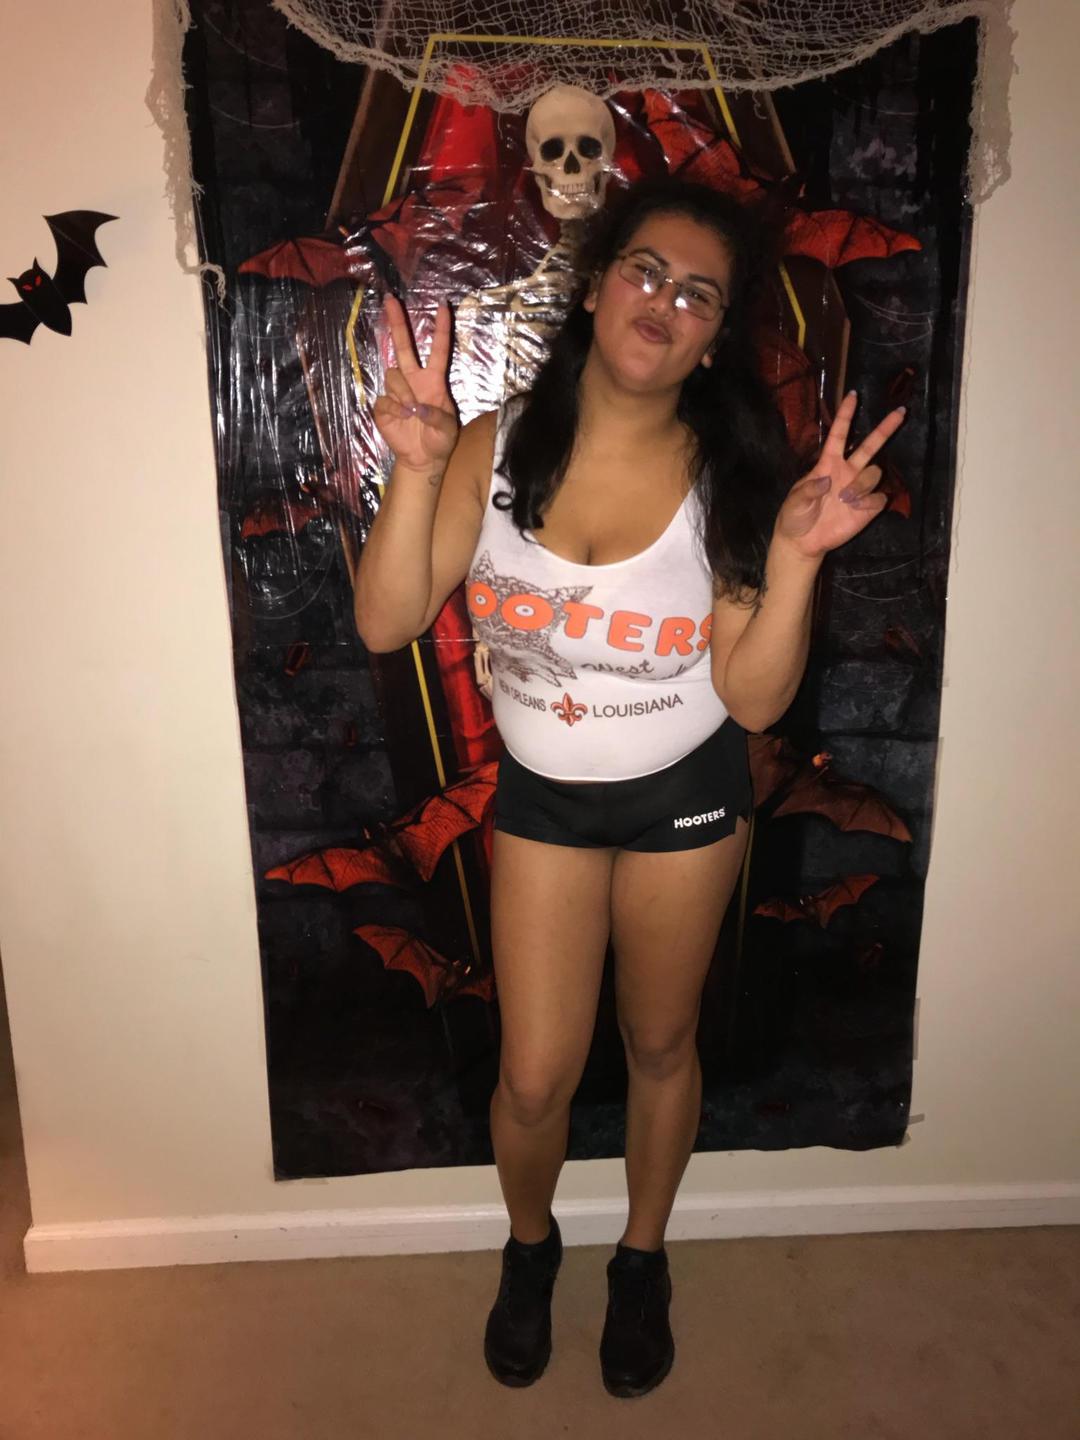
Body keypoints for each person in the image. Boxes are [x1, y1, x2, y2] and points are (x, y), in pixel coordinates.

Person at [354, 178, 904, 1398]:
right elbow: (387, 620)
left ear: (713, 337)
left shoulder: (734, 474)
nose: (666, 302)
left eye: (698, 295)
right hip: (545, 800)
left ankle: (642, 1259)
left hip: (685, 797)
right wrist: (416, 471)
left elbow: (753, 702)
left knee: (660, 1042)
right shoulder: (496, 445)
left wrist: (798, 559)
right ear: (598, 283)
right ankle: (531, 1248)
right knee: (533, 1075)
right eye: (647, 271)